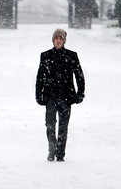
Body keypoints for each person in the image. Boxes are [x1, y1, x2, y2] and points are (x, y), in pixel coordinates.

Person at [36, 29, 85, 162]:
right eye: (56, 38)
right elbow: (40, 76)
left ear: (64, 41)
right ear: (53, 40)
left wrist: (80, 93)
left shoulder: (71, 56)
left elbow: (79, 75)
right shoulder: (45, 56)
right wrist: (38, 95)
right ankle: (52, 149)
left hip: (66, 96)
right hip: (50, 96)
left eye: (61, 38)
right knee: (50, 125)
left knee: (63, 126)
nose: (58, 40)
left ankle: (60, 153)